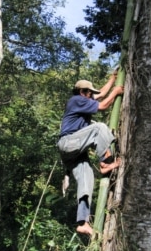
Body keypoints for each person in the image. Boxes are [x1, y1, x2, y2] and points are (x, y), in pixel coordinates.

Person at [57, 71, 124, 236]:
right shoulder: (76, 100)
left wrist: (112, 80)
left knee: (86, 181)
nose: (92, 96)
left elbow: (100, 93)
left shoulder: (83, 101)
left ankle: (83, 222)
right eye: (89, 93)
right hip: (69, 142)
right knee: (99, 128)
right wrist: (115, 92)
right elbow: (102, 105)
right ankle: (106, 163)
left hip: (74, 152)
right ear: (82, 93)